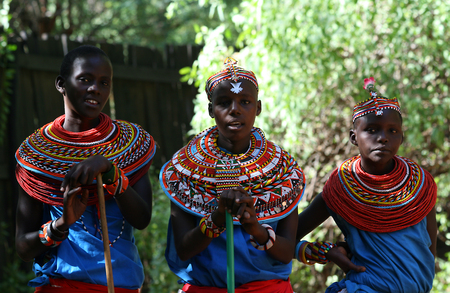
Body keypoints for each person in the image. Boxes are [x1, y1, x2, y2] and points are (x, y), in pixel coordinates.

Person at [15, 45, 156, 292]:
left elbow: (142, 219)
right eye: (85, 79)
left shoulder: (131, 146)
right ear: (61, 84)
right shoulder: (37, 156)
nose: (95, 89)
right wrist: (61, 224)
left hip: (121, 287)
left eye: (104, 83)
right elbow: (23, 248)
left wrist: (111, 172)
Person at [159, 58, 306, 292]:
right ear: (210, 109)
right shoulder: (184, 170)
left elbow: (287, 252)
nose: (235, 109)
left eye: (245, 102)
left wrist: (256, 228)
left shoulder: (282, 171)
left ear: (257, 108)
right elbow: (184, 249)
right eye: (224, 102)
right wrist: (217, 218)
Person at [294, 77, 437, 293]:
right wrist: (326, 252)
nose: (383, 138)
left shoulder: (420, 185)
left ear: (401, 137)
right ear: (353, 137)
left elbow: (428, 253)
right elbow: (288, 235)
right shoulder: (341, 188)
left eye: (393, 131)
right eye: (371, 130)